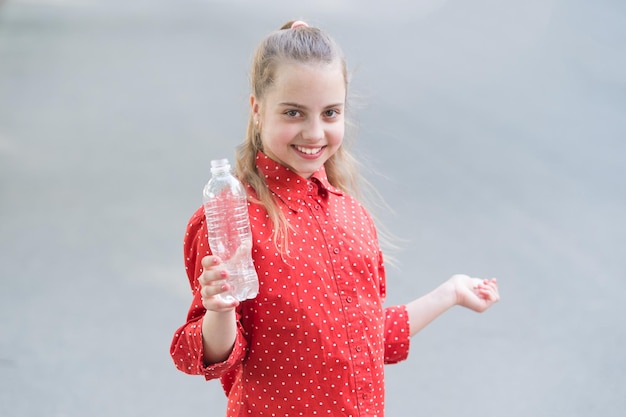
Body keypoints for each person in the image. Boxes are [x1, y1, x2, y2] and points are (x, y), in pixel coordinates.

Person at [170, 20, 500, 417]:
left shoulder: (352, 215)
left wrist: (451, 292)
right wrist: (219, 309)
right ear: (257, 109)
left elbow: (367, 338)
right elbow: (207, 355)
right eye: (293, 112)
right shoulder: (233, 218)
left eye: (330, 113)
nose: (314, 132)